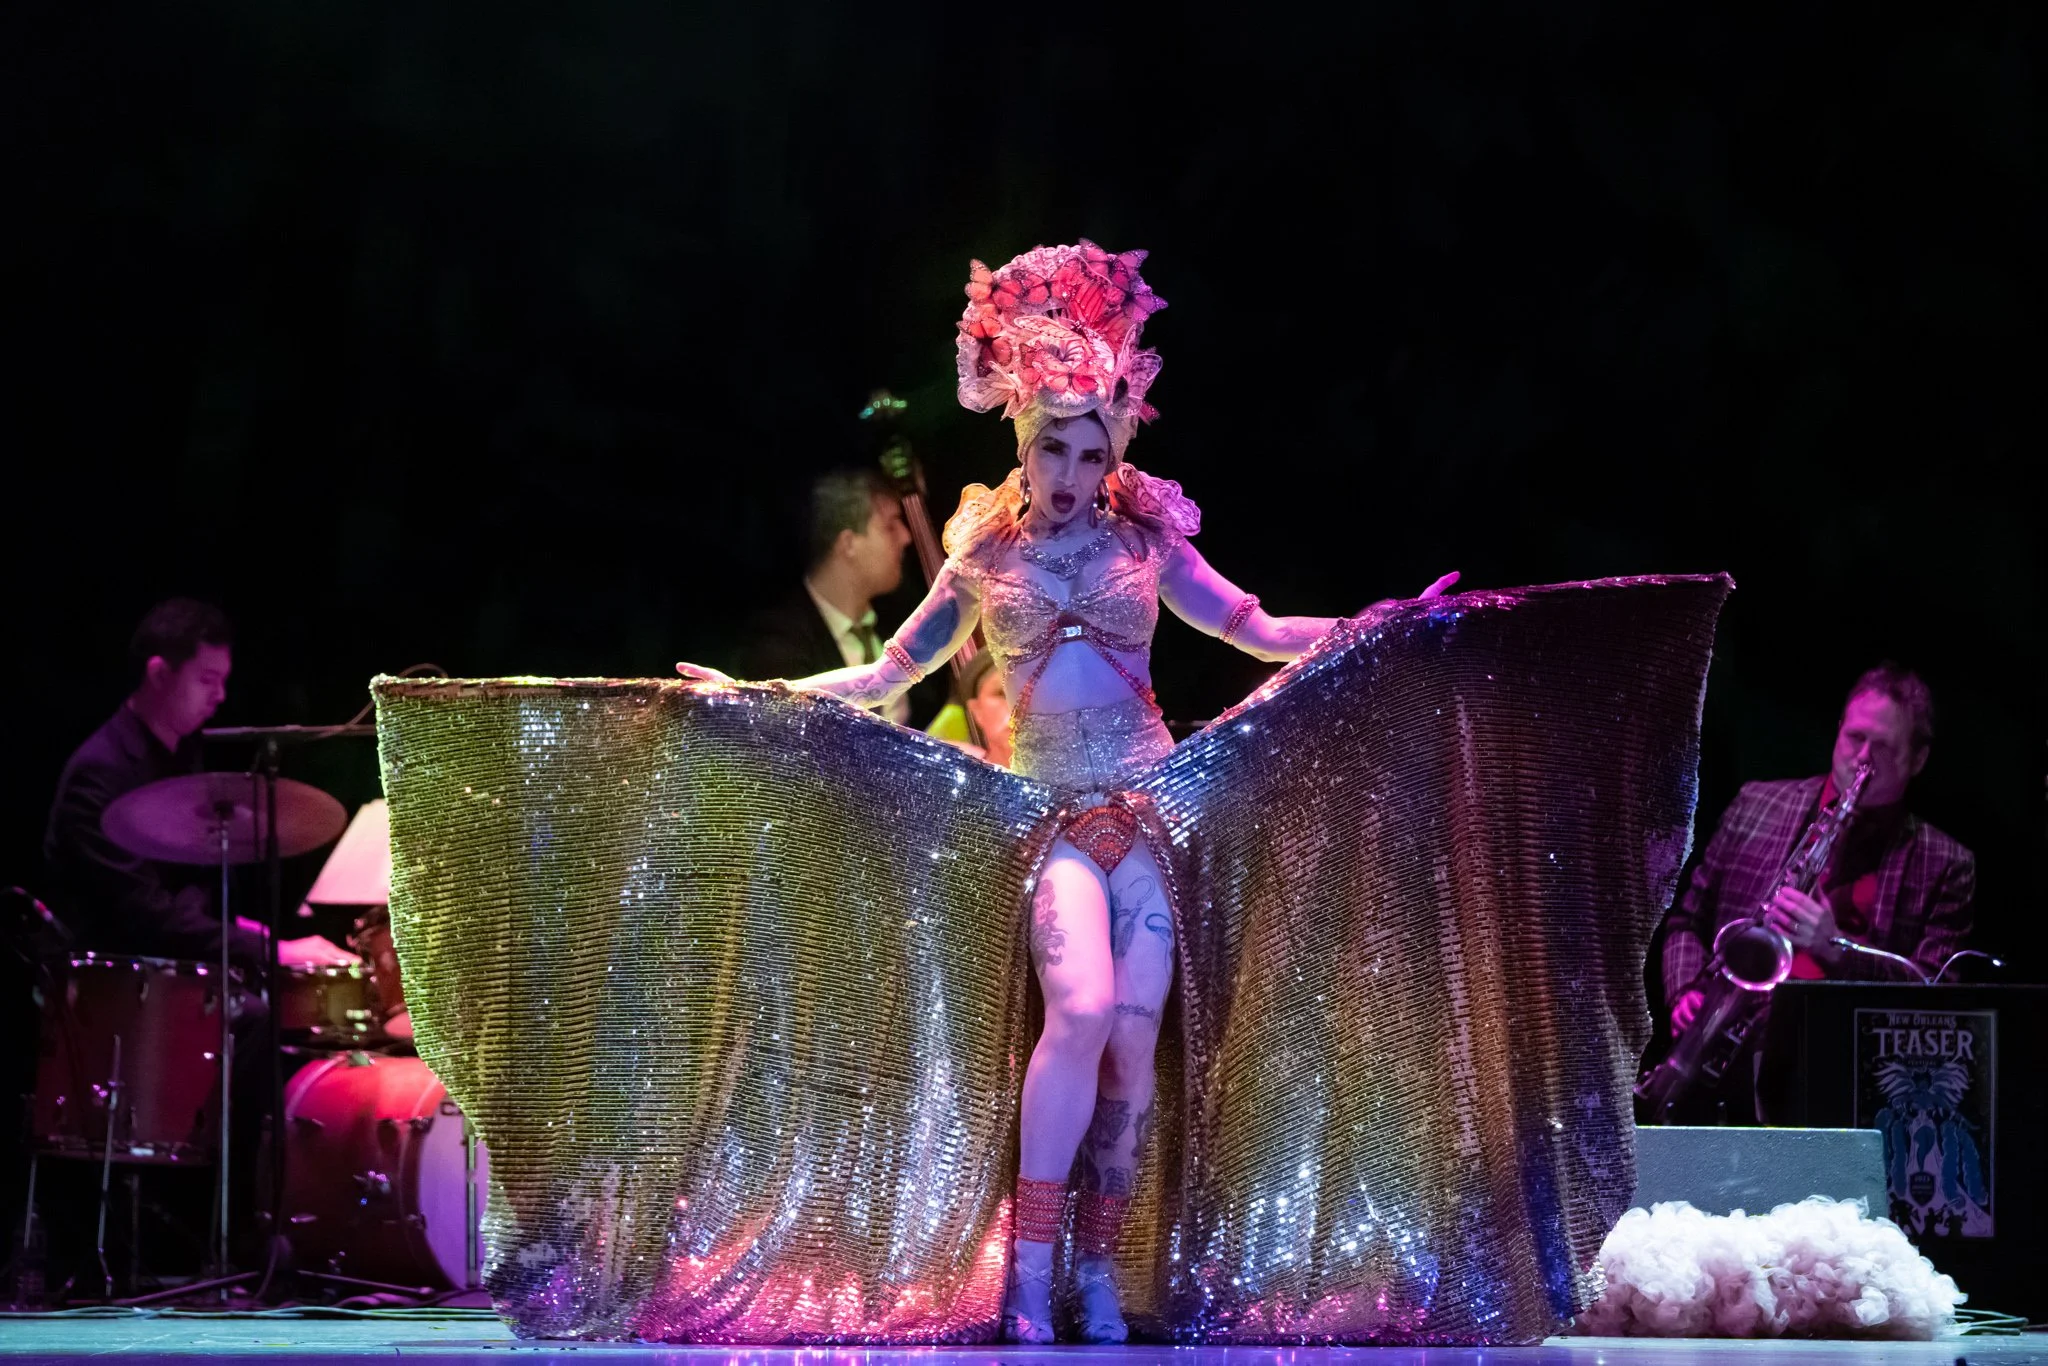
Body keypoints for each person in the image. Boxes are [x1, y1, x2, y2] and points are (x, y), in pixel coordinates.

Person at [682, 240, 1456, 1343]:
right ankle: (1028, 1271)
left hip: (1144, 807)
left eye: (1090, 452)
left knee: (1132, 1040)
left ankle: (1095, 1267)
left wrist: (1377, 624)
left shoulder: (1146, 544)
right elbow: (887, 672)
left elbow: (1255, 628)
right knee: (1081, 1009)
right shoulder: (983, 559)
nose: (1069, 471)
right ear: (1023, 441)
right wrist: (755, 692)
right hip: (1046, 814)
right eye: (1053, 446)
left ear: (1110, 456)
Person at [1658, 662, 1975, 1119]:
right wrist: (1685, 992)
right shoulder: (1756, 804)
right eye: (1855, 737)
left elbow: (1937, 999)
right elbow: (1686, 922)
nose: (1863, 757)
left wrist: (1836, 949)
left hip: (1842, 1085)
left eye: (1884, 747)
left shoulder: (1946, 863)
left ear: (1918, 759)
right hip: (1724, 1069)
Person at [43, 599, 353, 969]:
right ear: (159, 674)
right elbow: (144, 915)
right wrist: (274, 952)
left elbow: (185, 897)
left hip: (172, 969)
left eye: (223, 681)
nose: (220, 696)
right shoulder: (100, 771)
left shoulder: (182, 756)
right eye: (207, 680)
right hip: (117, 985)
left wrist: (250, 933)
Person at [737, 467, 946, 729]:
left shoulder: (900, 615)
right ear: (848, 543)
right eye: (890, 526)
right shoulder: (777, 645)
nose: (906, 536)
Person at [925, 646, 1013, 767]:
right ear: (977, 711)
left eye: (1035, 694)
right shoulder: (941, 764)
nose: (1020, 706)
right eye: (1002, 693)